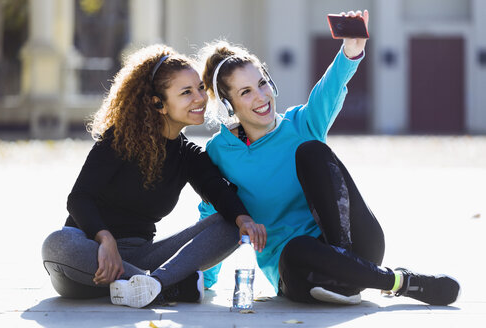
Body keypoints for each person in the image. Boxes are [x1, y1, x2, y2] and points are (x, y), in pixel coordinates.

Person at [198, 10, 460, 306]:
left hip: (356, 245)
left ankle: (348, 269)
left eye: (262, 83)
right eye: (245, 92)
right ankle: (397, 281)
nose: (261, 96)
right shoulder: (221, 152)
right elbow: (214, 211)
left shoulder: (301, 123)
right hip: (300, 269)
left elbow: (331, 87)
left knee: (312, 151)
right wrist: (201, 279)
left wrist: (351, 50)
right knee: (296, 249)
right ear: (228, 105)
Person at [41, 44, 266, 309]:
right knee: (57, 243)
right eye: (186, 92)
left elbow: (218, 191)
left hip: (143, 258)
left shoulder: (187, 155)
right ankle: (164, 285)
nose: (199, 98)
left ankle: (153, 284)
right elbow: (79, 198)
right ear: (158, 103)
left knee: (232, 224)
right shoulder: (119, 140)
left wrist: (245, 220)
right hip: (90, 255)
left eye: (200, 88)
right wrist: (105, 239)